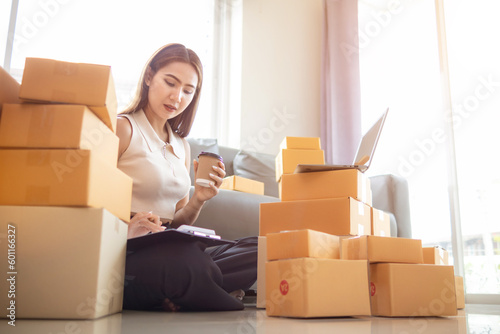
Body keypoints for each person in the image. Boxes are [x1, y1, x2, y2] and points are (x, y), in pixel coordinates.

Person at [116, 43, 257, 312]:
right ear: (149, 77)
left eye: (188, 91)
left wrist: (199, 200)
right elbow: (91, 199)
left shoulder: (182, 145)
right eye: (170, 83)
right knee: (188, 262)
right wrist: (126, 229)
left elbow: (179, 219)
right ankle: (195, 285)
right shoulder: (123, 128)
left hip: (169, 244)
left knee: (259, 249)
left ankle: (183, 289)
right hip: (128, 249)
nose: (177, 96)